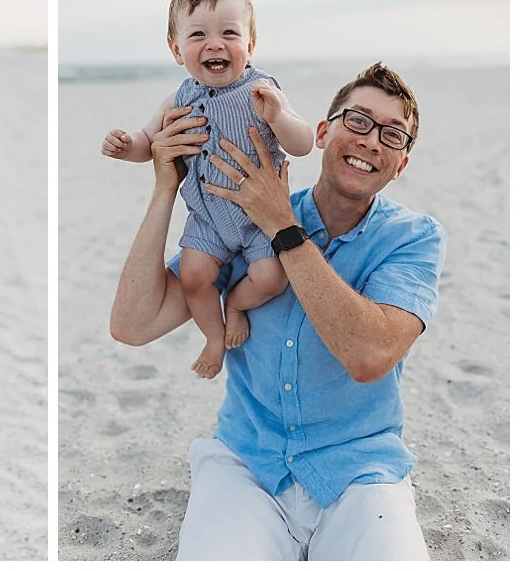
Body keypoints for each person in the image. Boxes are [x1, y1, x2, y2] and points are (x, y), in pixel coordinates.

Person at [108, 62, 443, 560]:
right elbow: (132, 326)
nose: (372, 140)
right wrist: (165, 188)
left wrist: (283, 226)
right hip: (248, 464)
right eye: (359, 121)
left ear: (402, 163)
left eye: (393, 135)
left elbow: (370, 356)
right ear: (325, 133)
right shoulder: (245, 214)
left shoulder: (413, 237)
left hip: (359, 471)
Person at [101, 0, 313, 378]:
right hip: (208, 217)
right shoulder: (179, 99)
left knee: (270, 278)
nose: (215, 44)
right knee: (196, 276)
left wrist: (279, 118)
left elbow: (303, 144)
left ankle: (235, 304)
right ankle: (214, 339)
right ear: (176, 50)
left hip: (260, 220)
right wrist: (126, 145)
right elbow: (148, 143)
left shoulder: (263, 91)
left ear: (250, 46)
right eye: (198, 34)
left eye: (229, 33)